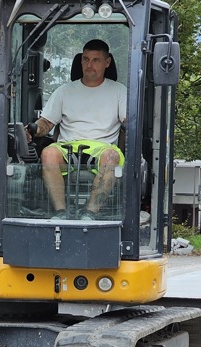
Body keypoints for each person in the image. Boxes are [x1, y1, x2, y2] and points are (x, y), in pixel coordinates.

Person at [27, 39, 127, 219]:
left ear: (107, 62)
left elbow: (128, 122)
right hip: (67, 147)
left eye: (96, 60)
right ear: (80, 61)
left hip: (102, 148)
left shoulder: (119, 91)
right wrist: (34, 129)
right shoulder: (64, 91)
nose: (89, 65)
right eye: (86, 59)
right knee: (48, 153)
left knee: (112, 157)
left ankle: (90, 213)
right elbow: (46, 123)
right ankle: (61, 212)